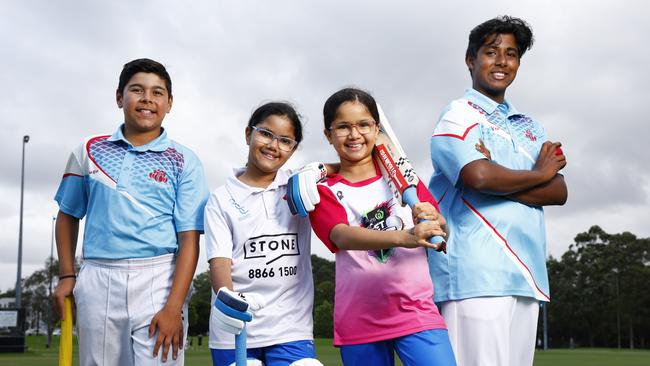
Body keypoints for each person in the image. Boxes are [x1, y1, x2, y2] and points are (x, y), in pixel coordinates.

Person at [427, 16, 568, 366]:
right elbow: (478, 177)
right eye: (491, 52)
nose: (502, 61)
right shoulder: (457, 115)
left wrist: (502, 176)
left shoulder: (531, 126)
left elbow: (559, 191)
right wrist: (537, 172)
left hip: (526, 276)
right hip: (475, 274)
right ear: (470, 59)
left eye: (511, 53)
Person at [53, 58, 209, 365]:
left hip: (159, 277)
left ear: (169, 103)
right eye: (137, 90)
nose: (147, 98)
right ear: (119, 97)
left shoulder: (185, 160)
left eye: (157, 92)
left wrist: (174, 307)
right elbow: (68, 215)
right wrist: (66, 275)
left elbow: (190, 239)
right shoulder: (88, 150)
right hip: (98, 275)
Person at [308, 88, 456, 366]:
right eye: (343, 127)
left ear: (377, 129)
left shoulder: (406, 179)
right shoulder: (323, 190)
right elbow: (341, 235)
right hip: (360, 320)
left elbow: (440, 230)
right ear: (328, 134)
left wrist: (436, 222)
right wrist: (406, 236)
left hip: (416, 311)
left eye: (364, 124)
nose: (354, 135)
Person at [204, 102, 324, 366]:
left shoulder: (298, 184)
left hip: (291, 329)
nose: (273, 145)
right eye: (266, 134)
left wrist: (320, 169)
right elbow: (220, 262)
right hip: (235, 329)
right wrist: (229, 302)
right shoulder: (221, 199)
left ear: (292, 150)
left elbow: (347, 169)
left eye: (285, 141)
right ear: (249, 134)